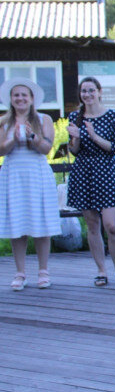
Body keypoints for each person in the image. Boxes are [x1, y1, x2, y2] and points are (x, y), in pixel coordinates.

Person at [67, 77, 115, 287]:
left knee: (111, 225)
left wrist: (93, 136)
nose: (87, 94)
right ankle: (101, 271)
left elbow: (114, 148)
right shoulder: (75, 116)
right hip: (84, 172)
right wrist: (76, 138)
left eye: (91, 90)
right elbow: (74, 151)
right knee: (93, 225)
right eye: (83, 91)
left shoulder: (112, 115)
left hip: (106, 172)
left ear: (99, 92)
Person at [0, 78, 60, 290]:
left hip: (36, 173)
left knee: (40, 221)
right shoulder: (4, 121)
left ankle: (43, 271)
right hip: (14, 173)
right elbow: (1, 150)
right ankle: (20, 272)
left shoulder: (44, 119)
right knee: (17, 223)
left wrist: (32, 137)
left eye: (24, 95)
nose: (20, 98)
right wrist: (14, 139)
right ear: (11, 99)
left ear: (32, 98)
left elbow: (46, 149)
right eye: (16, 95)